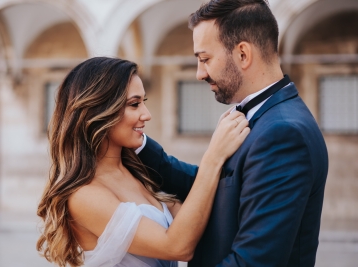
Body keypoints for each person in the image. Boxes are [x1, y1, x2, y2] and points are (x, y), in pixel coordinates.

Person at [137, 0, 328, 266]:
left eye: (205, 59)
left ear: (242, 54)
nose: (199, 73)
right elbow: (214, 188)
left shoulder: (284, 134)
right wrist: (137, 144)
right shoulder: (259, 117)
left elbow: (253, 261)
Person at [36, 57, 249, 267]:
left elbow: (196, 220)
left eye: (143, 103)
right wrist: (213, 157)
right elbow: (177, 246)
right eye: (134, 104)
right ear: (99, 111)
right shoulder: (83, 195)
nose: (146, 115)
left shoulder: (138, 171)